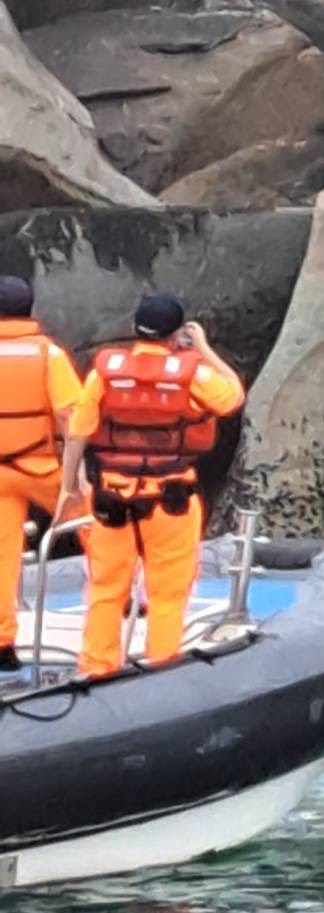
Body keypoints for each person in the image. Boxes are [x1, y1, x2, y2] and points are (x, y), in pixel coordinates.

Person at [62, 293, 245, 679]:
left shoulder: (104, 373)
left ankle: (96, 667)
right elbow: (232, 398)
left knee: (106, 588)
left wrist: (70, 488)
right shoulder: (194, 373)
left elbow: (78, 430)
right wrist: (204, 348)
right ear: (176, 333)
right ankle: (162, 668)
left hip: (110, 494)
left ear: (135, 329)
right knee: (167, 592)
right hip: (170, 496)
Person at [0, 276, 86, 673]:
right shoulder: (47, 355)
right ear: (30, 310)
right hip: (41, 467)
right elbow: (73, 417)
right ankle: (121, 601)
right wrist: (77, 478)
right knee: (96, 526)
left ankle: (2, 646)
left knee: (2, 560)